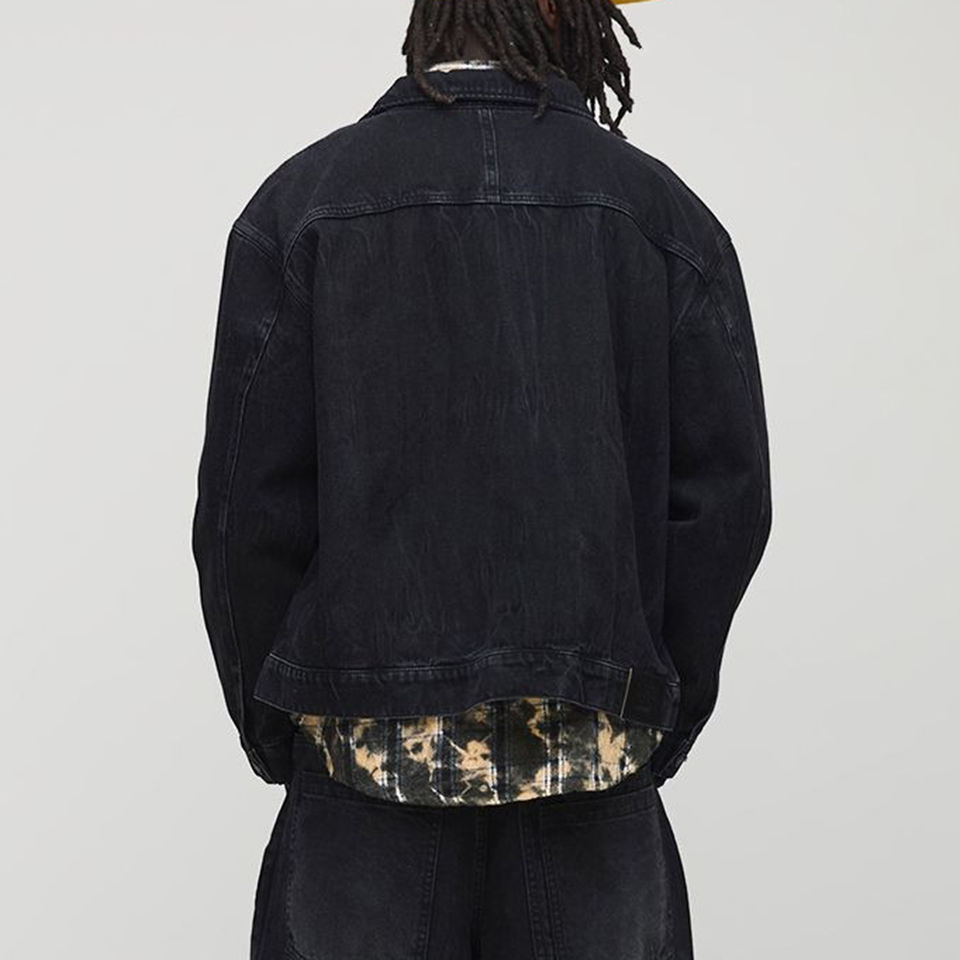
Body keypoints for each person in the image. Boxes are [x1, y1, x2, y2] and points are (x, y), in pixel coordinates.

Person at [191, 1, 772, 957]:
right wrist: (646, 705)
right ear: (566, 16)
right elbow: (726, 504)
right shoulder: (662, 216)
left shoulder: (304, 205)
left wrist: (281, 727)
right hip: (592, 782)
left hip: (362, 780)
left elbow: (242, 515)